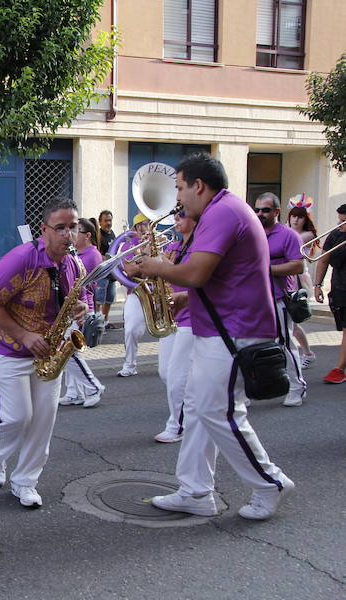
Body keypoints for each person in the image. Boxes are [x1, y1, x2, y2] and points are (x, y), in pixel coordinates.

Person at [136, 152, 295, 521]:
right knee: (199, 408)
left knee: (218, 411)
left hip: (234, 331)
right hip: (224, 328)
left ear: (199, 186)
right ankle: (194, 491)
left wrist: (154, 267)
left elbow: (196, 273)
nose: (177, 198)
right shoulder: (221, 210)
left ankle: (268, 482)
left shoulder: (222, 212)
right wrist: (179, 297)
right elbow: (218, 277)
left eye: (179, 188)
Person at [0, 198, 87, 508]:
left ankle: (26, 481)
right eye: (61, 228)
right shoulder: (20, 259)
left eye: (73, 227)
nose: (69, 235)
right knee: (16, 417)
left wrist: (80, 308)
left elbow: (70, 302)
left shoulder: (72, 264)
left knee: (43, 421)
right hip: (10, 349)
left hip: (49, 352)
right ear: (44, 230)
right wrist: (24, 335)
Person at [254, 192, 307, 407]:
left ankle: (297, 386)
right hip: (254, 299)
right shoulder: (252, 232)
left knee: (284, 344)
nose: (260, 214)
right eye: (257, 209)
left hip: (279, 297)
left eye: (265, 210)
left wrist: (266, 270)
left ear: (276, 211)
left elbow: (298, 265)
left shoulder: (288, 235)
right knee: (251, 345)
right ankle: (252, 388)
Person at [154, 210, 196, 443]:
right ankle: (190, 412)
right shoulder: (175, 246)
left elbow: (200, 279)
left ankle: (177, 425)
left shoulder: (200, 246)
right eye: (176, 217)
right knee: (165, 372)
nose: (176, 221)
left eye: (181, 216)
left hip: (191, 316)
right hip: (172, 316)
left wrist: (163, 264)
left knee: (178, 375)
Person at [59, 217, 105, 408]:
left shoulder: (85, 256)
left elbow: (85, 287)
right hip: (70, 310)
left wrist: (84, 311)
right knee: (68, 352)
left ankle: (93, 387)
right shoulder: (73, 256)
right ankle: (74, 392)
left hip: (78, 310)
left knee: (69, 353)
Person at [312, 203, 346, 384]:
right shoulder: (335, 235)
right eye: (339, 220)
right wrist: (317, 285)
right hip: (340, 289)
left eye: (343, 221)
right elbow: (323, 260)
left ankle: (339, 369)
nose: (339, 225)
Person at [117, 213, 151, 377]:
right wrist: (148, 259)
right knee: (130, 330)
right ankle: (130, 365)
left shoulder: (161, 242)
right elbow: (130, 271)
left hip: (159, 291)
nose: (150, 226)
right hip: (137, 292)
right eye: (146, 223)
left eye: (151, 222)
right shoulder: (128, 245)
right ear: (137, 227)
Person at [285, 206, 318, 367]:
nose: (295, 220)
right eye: (293, 216)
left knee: (293, 320)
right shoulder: (287, 232)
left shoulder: (306, 235)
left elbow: (291, 238)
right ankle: (307, 353)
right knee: (291, 322)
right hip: (287, 278)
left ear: (306, 220)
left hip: (297, 279)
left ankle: (307, 353)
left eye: (300, 217)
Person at [93, 210, 117, 328]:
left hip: (112, 272)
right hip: (103, 273)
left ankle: (105, 321)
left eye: (110, 220)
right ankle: (97, 322)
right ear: (100, 222)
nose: (108, 223)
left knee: (109, 299)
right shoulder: (98, 235)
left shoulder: (112, 233)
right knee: (99, 299)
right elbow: (96, 253)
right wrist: (105, 258)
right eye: (106, 220)